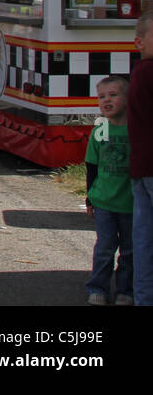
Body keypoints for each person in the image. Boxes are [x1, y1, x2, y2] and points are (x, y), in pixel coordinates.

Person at [84, 76, 133, 305]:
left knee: (130, 250)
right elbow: (91, 166)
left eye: (114, 95)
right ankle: (97, 288)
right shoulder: (100, 129)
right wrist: (90, 198)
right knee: (104, 248)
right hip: (103, 201)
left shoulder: (136, 128)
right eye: (102, 96)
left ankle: (126, 290)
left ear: (127, 98)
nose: (107, 100)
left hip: (131, 203)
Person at [129, 10, 153, 306]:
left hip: (140, 167)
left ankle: (143, 297)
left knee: (144, 239)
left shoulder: (139, 73)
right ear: (140, 42)